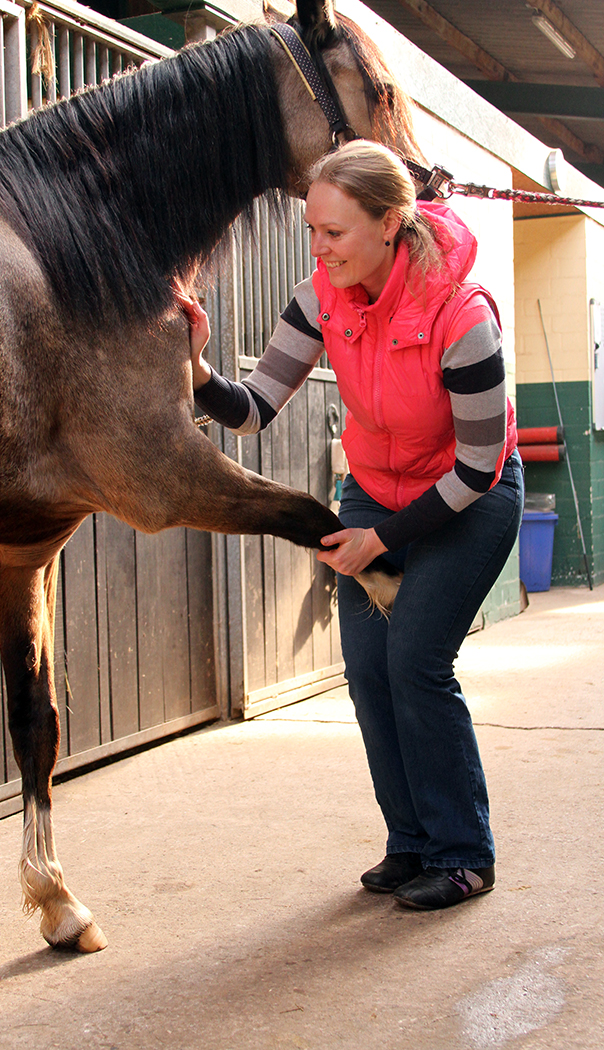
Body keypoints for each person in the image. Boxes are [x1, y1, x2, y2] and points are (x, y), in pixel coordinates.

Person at [178, 141, 523, 911]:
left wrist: (381, 540)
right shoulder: (319, 296)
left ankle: (464, 854)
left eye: (333, 232)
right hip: (378, 489)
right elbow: (254, 409)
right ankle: (413, 844)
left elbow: (477, 469)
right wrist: (198, 371)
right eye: (312, 230)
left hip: (470, 495)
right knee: (367, 670)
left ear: (390, 223)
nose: (318, 248)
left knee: (416, 663)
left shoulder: (462, 317)